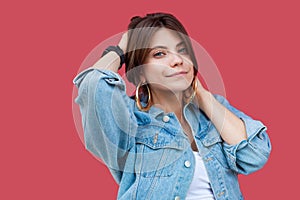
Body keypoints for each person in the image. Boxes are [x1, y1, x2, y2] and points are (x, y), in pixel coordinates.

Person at [73, 12, 271, 200]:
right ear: (141, 72)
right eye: (160, 54)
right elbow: (93, 84)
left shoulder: (212, 108)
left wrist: (201, 95)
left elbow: (254, 155)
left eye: (182, 50)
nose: (177, 61)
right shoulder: (129, 120)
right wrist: (120, 50)